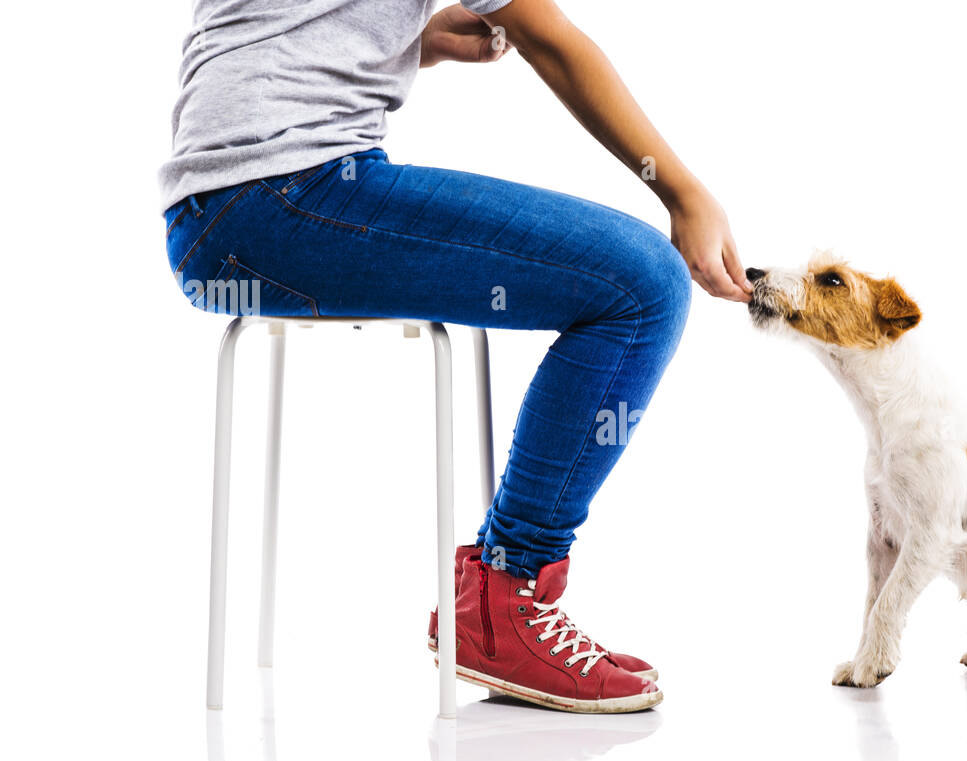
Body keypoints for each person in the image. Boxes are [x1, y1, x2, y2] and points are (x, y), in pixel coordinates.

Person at [161, 0, 751, 714]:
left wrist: (412, 41)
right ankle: (506, 596)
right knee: (643, 281)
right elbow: (551, 40)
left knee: (630, 279)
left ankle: (500, 597)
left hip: (209, 223)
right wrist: (684, 193)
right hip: (287, 196)